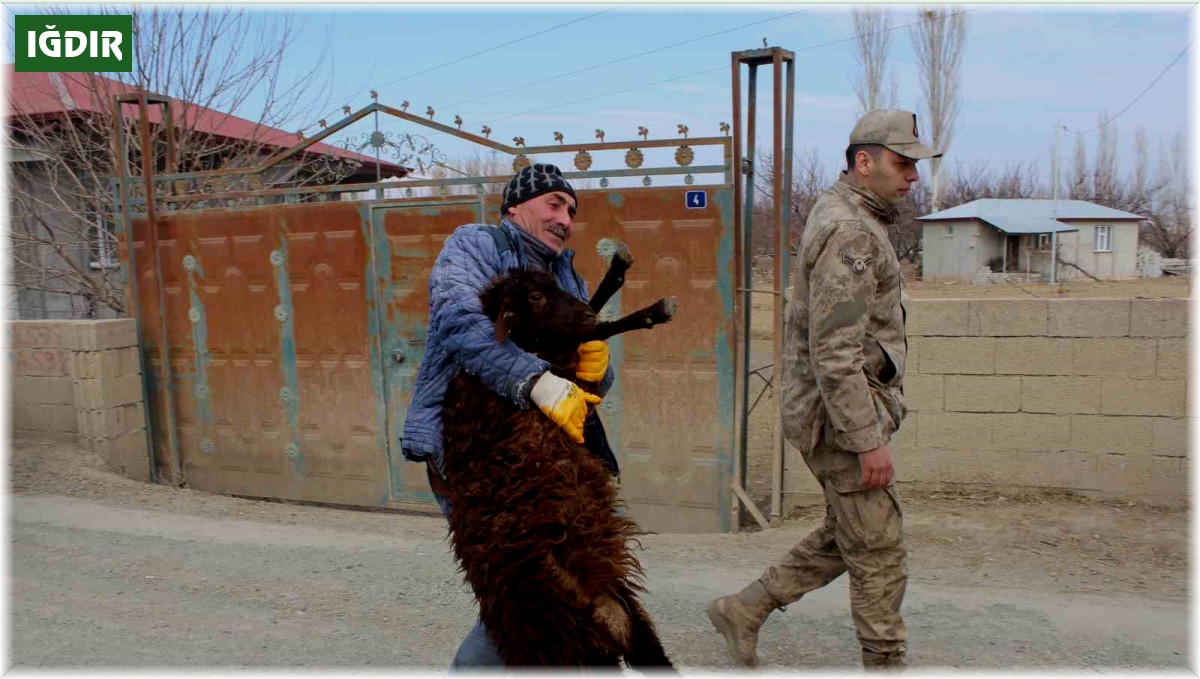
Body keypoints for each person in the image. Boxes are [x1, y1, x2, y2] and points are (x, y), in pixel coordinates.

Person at [706, 109, 941, 670]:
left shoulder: (851, 215)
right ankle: (884, 661)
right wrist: (866, 440)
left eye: (915, 165)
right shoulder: (852, 230)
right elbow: (835, 352)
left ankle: (745, 608)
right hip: (838, 421)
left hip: (834, 413)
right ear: (865, 162)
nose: (913, 176)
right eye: (903, 163)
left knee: (852, 531)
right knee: (879, 547)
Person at [400, 162, 616, 668]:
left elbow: (577, 379)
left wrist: (597, 370)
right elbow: (459, 324)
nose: (565, 218)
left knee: (564, 588)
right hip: (474, 457)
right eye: (554, 203)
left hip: (546, 460)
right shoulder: (475, 246)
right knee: (523, 596)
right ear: (514, 206)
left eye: (571, 209)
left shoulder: (569, 277)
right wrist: (535, 380)